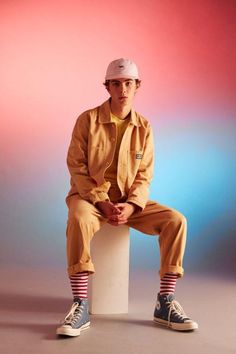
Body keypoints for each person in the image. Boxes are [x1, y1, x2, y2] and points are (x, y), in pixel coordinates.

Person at [56, 58, 198, 336]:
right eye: (117, 83)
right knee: (79, 218)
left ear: (137, 86)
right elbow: (76, 166)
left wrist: (132, 206)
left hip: (130, 203)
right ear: (107, 87)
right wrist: (100, 201)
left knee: (176, 221)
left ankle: (165, 302)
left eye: (129, 83)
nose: (123, 89)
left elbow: (145, 175)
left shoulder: (144, 127)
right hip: (89, 200)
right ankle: (81, 304)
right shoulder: (87, 120)